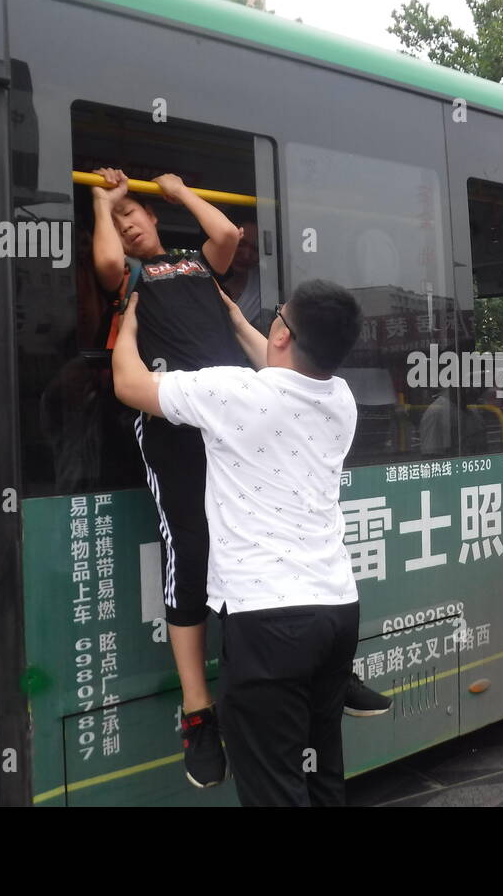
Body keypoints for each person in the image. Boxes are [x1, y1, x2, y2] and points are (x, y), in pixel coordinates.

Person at [91, 170, 390, 789]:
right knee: (193, 553)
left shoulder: (193, 265)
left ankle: (319, 677)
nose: (129, 225)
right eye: (122, 224)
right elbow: (109, 281)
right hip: (177, 422)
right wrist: (104, 204)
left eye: (135, 215)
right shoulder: (336, 397)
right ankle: (200, 713)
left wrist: (177, 192)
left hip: (231, 413)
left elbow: (226, 232)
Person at [111, 280, 364, 806]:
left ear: (281, 332)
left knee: (275, 790)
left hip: (270, 624)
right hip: (337, 612)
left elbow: (130, 385)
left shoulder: (234, 393)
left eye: (277, 317)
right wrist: (235, 318)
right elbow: (278, 360)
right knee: (321, 776)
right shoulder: (340, 398)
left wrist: (129, 321)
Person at [219, 220, 262, 325]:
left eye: (256, 249)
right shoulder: (199, 275)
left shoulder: (263, 286)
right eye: (241, 244)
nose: (246, 255)